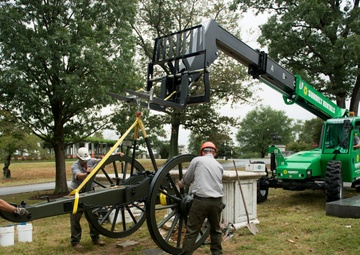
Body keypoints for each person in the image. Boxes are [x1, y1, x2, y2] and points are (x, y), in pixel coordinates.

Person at [178, 142, 224, 255]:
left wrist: (182, 183)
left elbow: (188, 179)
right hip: (217, 201)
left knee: (192, 231)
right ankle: (217, 253)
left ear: (202, 152)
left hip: (201, 201)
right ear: (214, 153)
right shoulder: (219, 166)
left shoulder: (197, 160)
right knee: (216, 230)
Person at [69, 147, 106, 249]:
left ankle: (96, 238)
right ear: (78, 157)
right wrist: (87, 173)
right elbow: (78, 175)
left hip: (90, 192)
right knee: (75, 218)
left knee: (94, 215)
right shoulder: (74, 166)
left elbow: (105, 160)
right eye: (83, 161)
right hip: (78, 193)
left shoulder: (91, 161)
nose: (85, 163)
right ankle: (75, 242)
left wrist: (117, 155)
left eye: (86, 160)